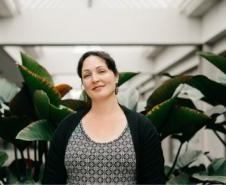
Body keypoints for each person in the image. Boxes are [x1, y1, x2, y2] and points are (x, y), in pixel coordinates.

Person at [42, 51, 165, 184]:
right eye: (87, 75)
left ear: (116, 76)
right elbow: (51, 179)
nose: (95, 79)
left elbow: (154, 180)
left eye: (101, 71)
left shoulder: (142, 127)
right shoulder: (67, 127)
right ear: (83, 84)